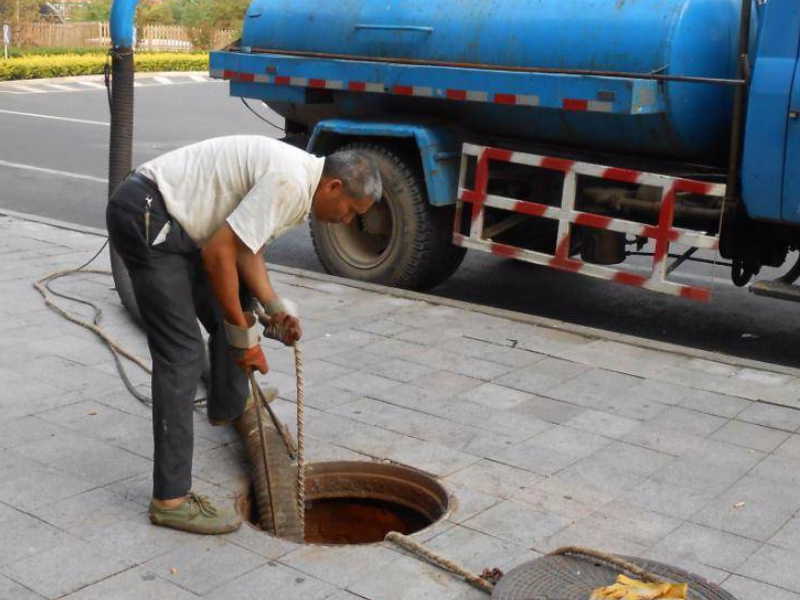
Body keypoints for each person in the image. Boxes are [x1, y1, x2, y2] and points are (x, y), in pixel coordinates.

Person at [106, 135, 382, 534]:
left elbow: (244, 249)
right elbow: (220, 254)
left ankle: (228, 406)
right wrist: (244, 340)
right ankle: (170, 500)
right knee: (181, 355)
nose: (346, 221)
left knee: (239, 304)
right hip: (148, 214)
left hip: (178, 220)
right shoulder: (290, 182)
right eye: (350, 211)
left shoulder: (301, 181)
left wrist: (273, 309)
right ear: (333, 187)